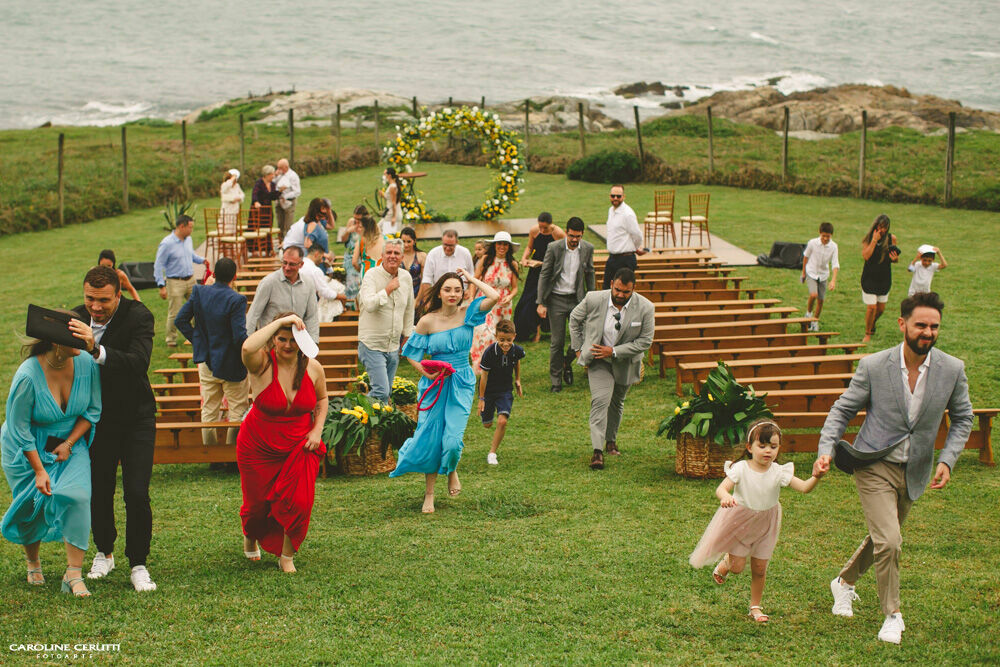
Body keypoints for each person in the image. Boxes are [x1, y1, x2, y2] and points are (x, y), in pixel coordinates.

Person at [815, 291, 973, 645]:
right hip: (873, 463)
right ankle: (892, 615)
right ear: (903, 324)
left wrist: (947, 459)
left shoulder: (952, 369)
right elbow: (842, 410)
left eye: (934, 327)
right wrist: (825, 449)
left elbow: (964, 417)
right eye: (921, 325)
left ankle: (843, 582)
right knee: (890, 540)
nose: (928, 332)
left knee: (883, 539)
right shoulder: (874, 366)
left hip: (914, 469)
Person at [70, 266, 158, 592]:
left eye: (103, 300)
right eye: (90, 299)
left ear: (118, 295)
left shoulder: (139, 316)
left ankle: (138, 563)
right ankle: (104, 552)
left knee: (136, 492)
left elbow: (138, 362)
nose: (95, 307)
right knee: (99, 489)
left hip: (137, 417)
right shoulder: (75, 318)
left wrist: (95, 349)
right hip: (96, 420)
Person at [2, 317, 102, 597]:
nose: (83, 342)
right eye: (75, 338)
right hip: (27, 446)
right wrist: (39, 470)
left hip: (70, 442)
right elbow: (19, 428)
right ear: (56, 343)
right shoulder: (27, 376)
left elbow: (93, 410)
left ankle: (73, 573)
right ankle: (32, 562)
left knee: (78, 496)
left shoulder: (86, 363)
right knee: (31, 504)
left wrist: (69, 443)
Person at [389, 268, 499, 514]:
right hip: (434, 384)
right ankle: (429, 493)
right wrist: (426, 372)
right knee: (432, 438)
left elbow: (494, 296)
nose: (453, 294)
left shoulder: (468, 313)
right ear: (439, 292)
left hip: (461, 381)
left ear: (462, 293)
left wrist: (471, 279)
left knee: (452, 440)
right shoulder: (427, 321)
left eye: (458, 290)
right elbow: (411, 353)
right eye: (447, 289)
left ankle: (451, 469)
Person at [689, 420, 822, 623]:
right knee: (737, 568)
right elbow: (721, 489)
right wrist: (725, 496)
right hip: (740, 521)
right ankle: (728, 562)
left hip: (766, 523)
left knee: (760, 568)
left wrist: (816, 476)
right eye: (762, 446)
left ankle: (755, 607)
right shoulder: (741, 469)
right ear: (749, 447)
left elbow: (804, 488)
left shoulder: (778, 472)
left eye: (773, 446)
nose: (768, 451)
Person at [238, 313, 328, 573]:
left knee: (300, 502)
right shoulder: (260, 363)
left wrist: (316, 430)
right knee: (256, 506)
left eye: (293, 340)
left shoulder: (313, 367)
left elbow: (322, 400)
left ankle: (286, 556)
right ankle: (250, 535)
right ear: (273, 339)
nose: (288, 345)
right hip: (258, 445)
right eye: (282, 339)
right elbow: (247, 347)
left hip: (299, 445)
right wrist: (279, 321)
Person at [569, 268, 654, 470]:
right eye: (617, 290)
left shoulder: (646, 307)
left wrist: (614, 351)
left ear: (633, 289)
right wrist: (578, 349)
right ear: (611, 285)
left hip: (626, 362)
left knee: (617, 402)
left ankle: (611, 440)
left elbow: (645, 341)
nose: (620, 295)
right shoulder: (593, 299)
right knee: (600, 400)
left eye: (626, 292)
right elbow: (574, 319)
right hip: (598, 360)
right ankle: (597, 451)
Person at [174, 257, 250, 448]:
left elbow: (180, 320)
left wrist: (198, 341)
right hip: (232, 363)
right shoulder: (237, 299)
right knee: (237, 410)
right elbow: (239, 336)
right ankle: (231, 452)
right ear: (234, 277)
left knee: (209, 409)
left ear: (214, 274)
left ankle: (210, 452)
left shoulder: (199, 292)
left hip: (206, 360)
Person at [536, 217, 595, 392]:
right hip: (556, 299)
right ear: (566, 233)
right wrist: (541, 302)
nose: (574, 240)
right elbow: (545, 274)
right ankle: (556, 381)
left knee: (583, 337)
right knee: (557, 341)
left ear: (582, 234)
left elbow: (590, 273)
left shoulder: (588, 248)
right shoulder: (554, 248)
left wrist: (592, 299)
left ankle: (566, 362)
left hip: (577, 299)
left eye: (578, 236)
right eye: (571, 236)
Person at [357, 239, 414, 403]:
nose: (392, 256)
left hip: (393, 345)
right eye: (389, 252)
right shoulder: (371, 276)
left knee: (385, 394)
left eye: (396, 253)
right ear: (382, 255)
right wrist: (387, 289)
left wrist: (407, 335)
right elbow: (369, 305)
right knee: (381, 391)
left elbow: (409, 308)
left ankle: (372, 419)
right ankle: (355, 413)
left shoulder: (406, 277)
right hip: (372, 344)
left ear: (402, 257)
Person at [245, 246, 320, 343]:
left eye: (292, 264)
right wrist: (247, 343)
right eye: (284, 263)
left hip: (296, 342)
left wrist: (313, 342)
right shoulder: (269, 282)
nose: (287, 268)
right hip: (271, 342)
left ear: (301, 264)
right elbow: (254, 314)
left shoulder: (308, 284)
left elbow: (312, 316)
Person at [154, 214, 208, 347]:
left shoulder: (188, 240)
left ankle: (197, 335)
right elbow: (158, 265)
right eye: (190, 227)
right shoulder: (167, 243)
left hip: (191, 280)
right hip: (175, 282)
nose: (192, 230)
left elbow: (191, 255)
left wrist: (202, 261)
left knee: (198, 308)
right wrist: (161, 285)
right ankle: (171, 339)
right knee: (175, 312)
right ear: (181, 226)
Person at [476, 319, 524, 466]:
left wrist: (517, 379)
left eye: (509, 340)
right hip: (489, 391)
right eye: (502, 340)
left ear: (514, 337)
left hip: (505, 390)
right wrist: (481, 398)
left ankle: (492, 453)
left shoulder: (516, 350)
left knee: (502, 421)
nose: (505, 344)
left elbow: (516, 361)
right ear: (496, 336)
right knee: (487, 424)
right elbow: (484, 376)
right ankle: (487, 416)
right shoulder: (489, 353)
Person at [470, 231, 520, 372]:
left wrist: (510, 297)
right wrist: (472, 298)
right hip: (486, 301)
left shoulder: (512, 264)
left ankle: (498, 367)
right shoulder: (486, 259)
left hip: (503, 305)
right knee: (484, 333)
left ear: (509, 247)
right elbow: (474, 280)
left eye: (505, 244)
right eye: (499, 244)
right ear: (495, 245)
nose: (502, 247)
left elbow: (515, 288)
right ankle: (480, 367)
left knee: (501, 336)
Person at [513, 212, 565, 342]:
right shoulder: (534, 231)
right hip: (535, 271)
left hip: (550, 272)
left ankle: (541, 330)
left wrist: (542, 264)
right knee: (528, 299)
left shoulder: (558, 234)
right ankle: (527, 330)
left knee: (541, 300)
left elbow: (563, 257)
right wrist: (524, 258)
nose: (542, 230)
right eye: (540, 226)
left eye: (545, 228)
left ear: (551, 224)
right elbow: (529, 247)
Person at [860, 214, 899, 343]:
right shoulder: (868, 238)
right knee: (872, 307)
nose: (882, 230)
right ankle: (867, 333)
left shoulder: (892, 238)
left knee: (880, 309)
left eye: (885, 227)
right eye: (880, 226)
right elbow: (866, 256)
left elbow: (895, 258)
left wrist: (895, 259)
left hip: (884, 278)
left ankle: (872, 323)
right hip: (869, 277)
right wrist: (874, 240)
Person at [417, 230, 475, 308]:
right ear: (442, 241)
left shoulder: (465, 253)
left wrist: (470, 293)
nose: (447, 248)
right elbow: (427, 279)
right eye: (445, 245)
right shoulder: (433, 254)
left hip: (461, 297)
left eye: (451, 245)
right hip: (439, 297)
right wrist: (427, 301)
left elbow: (471, 276)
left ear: (457, 242)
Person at [603, 184, 646, 289]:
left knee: (623, 292)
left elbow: (637, 235)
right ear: (609, 196)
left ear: (624, 197)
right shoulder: (611, 211)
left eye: (618, 196)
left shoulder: (628, 214)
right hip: (612, 258)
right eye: (613, 196)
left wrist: (635, 248)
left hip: (625, 260)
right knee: (606, 290)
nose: (615, 198)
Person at [800, 221, 840, 332]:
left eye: (828, 236)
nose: (826, 238)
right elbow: (806, 257)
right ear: (819, 233)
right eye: (823, 236)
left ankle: (815, 321)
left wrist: (833, 280)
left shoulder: (834, 247)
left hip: (823, 275)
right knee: (813, 294)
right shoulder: (812, 243)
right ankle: (808, 314)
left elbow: (835, 264)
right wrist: (803, 273)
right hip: (811, 272)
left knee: (821, 300)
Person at [302, 244, 347, 321]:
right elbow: (325, 292)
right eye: (322, 257)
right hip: (306, 305)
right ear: (316, 254)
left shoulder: (301, 263)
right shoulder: (315, 270)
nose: (322, 261)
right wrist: (341, 297)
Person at [339, 205, 366, 305]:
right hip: (350, 257)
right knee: (351, 283)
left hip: (362, 258)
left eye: (359, 219)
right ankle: (350, 305)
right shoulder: (351, 222)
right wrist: (348, 231)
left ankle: (360, 304)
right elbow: (343, 240)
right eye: (355, 218)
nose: (357, 221)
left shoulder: (367, 225)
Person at [250, 165, 279, 255]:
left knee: (268, 228)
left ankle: (268, 249)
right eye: (272, 174)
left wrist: (279, 192)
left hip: (268, 210)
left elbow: (272, 197)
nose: (273, 176)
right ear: (267, 175)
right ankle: (255, 249)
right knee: (257, 228)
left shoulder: (273, 184)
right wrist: (256, 202)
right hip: (258, 210)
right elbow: (254, 194)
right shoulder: (259, 183)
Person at [274, 158, 301, 237]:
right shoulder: (278, 175)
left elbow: (297, 191)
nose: (278, 170)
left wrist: (285, 196)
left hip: (289, 202)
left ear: (286, 167)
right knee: (280, 223)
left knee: (288, 224)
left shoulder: (293, 176)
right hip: (278, 201)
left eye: (280, 168)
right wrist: (275, 176)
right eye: (278, 167)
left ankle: (288, 240)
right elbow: (272, 184)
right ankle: (280, 239)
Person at [352, 214, 383, 279]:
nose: (359, 229)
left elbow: (354, 262)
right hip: (382, 274)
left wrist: (360, 270)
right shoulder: (385, 239)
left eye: (361, 227)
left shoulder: (361, 241)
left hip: (367, 275)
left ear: (365, 228)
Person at [400, 227, 426, 300]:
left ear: (414, 241)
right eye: (403, 241)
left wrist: (418, 299)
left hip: (417, 293)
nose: (406, 245)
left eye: (409, 242)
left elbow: (424, 280)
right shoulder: (396, 255)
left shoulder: (421, 256)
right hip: (400, 294)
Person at [378, 167, 404, 237]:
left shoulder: (392, 187)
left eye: (385, 174)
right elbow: (390, 198)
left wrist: (394, 217)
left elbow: (393, 203)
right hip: (390, 213)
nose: (384, 176)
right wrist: (383, 195)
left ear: (389, 175)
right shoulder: (392, 185)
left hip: (392, 214)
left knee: (387, 234)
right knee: (380, 228)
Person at [219, 168, 244, 234]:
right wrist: (232, 199)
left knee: (233, 228)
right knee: (225, 228)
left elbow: (242, 195)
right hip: (227, 210)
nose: (235, 181)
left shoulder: (237, 186)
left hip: (235, 210)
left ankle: (232, 238)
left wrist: (238, 198)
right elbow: (224, 196)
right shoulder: (225, 185)